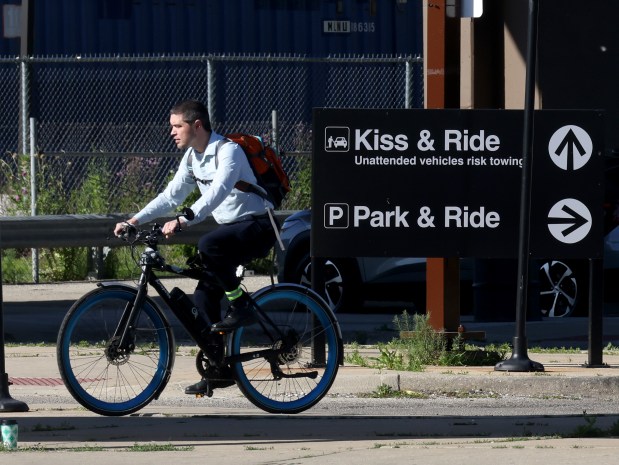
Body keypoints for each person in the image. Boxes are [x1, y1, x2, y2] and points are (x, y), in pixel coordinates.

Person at [114, 99, 278, 394]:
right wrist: (134, 221)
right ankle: (219, 370)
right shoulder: (192, 158)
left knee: (208, 244)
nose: (172, 132)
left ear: (197, 125)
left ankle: (240, 304)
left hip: (257, 225)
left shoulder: (228, 151)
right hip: (230, 229)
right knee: (202, 298)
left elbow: (219, 191)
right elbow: (170, 196)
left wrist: (184, 219)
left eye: (178, 126)